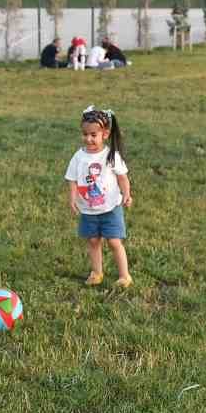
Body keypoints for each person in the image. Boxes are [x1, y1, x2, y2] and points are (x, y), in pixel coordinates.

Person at [65, 105, 133, 289]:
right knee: (93, 241)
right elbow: (72, 179)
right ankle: (96, 272)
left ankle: (124, 276)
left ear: (105, 134)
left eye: (93, 135)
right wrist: (72, 198)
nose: (88, 139)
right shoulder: (78, 157)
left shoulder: (111, 156)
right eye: (85, 134)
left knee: (114, 242)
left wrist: (126, 194)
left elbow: (122, 177)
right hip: (88, 209)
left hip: (111, 208)